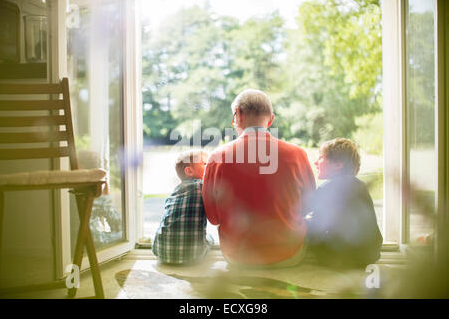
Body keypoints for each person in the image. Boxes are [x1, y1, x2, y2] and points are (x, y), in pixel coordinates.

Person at [202, 89, 316, 267]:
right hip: (288, 254)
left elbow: (213, 218)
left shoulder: (218, 157)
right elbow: (309, 206)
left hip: (238, 257)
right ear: (271, 119)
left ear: (237, 115)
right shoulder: (297, 154)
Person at [305, 138, 383, 268]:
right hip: (369, 254)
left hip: (336, 257)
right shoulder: (362, 186)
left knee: (304, 225)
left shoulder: (325, 188)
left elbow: (316, 230)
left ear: (337, 164)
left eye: (321, 158)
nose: (315, 162)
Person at [152, 150, 214, 265]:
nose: (209, 166)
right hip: (192, 256)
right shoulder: (203, 186)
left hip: (161, 251)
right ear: (189, 171)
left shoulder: (175, 192)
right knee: (210, 238)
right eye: (205, 164)